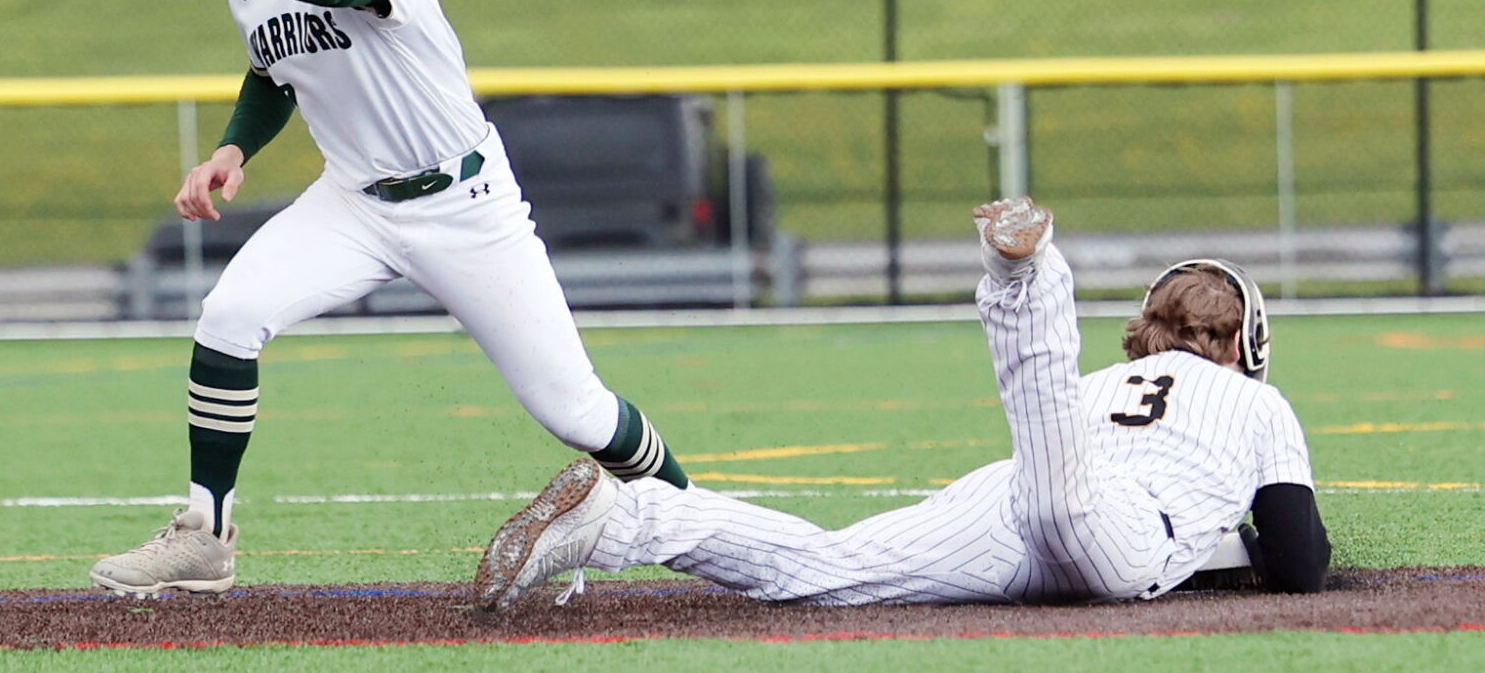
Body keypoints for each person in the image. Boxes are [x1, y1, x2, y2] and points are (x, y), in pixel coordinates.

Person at [89, 0, 691, 595]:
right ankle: (206, 531)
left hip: (465, 205)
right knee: (229, 317)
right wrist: (233, 145)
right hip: (353, 203)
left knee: (575, 412)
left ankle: (698, 519)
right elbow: (273, 68)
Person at [474, 197, 1331, 610]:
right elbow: (1298, 563)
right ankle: (1027, 277)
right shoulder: (1259, 405)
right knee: (1067, 490)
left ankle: (624, 517)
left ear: (1147, 325)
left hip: (1009, 500)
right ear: (1246, 341)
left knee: (821, 567)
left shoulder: (1101, 382)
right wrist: (1229, 542)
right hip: (1116, 524)